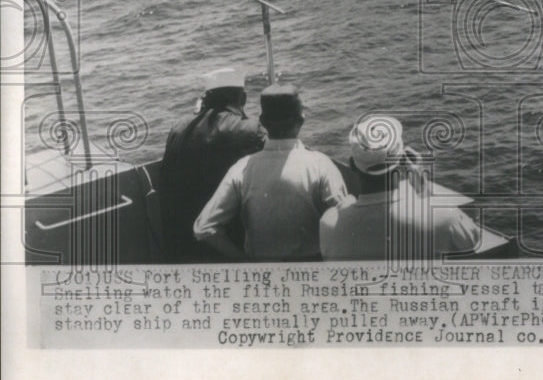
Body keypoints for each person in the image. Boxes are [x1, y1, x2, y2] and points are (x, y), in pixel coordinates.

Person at [193, 84, 350, 261]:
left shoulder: (241, 169)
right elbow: (346, 223)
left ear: (263, 122)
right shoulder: (321, 165)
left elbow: (204, 229)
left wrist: (246, 263)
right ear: (301, 120)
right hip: (311, 273)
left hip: (263, 274)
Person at [319, 115, 483, 261]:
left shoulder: (329, 223)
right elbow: (473, 241)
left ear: (352, 165)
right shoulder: (446, 218)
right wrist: (422, 188)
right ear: (402, 160)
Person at [157, 67, 265, 262]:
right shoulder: (249, 129)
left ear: (204, 99)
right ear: (243, 99)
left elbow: (165, 180)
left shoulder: (178, 128)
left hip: (183, 241)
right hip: (232, 241)